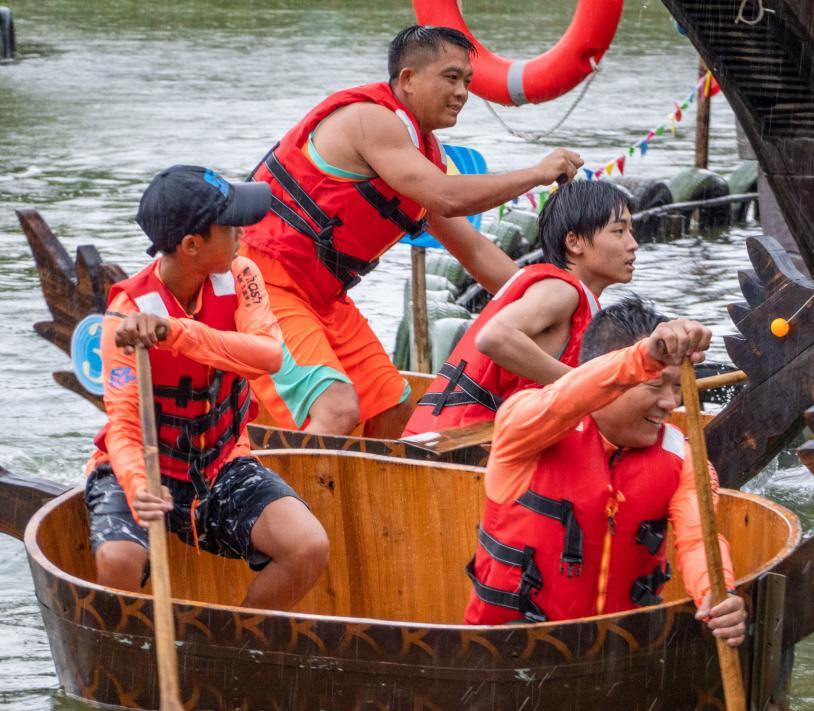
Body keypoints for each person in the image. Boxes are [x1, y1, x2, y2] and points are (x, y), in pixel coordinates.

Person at [241, 25, 584, 438]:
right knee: (336, 410)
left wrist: (560, 301)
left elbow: (473, 250)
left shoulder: (422, 157)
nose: (462, 93)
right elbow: (447, 197)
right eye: (451, 77)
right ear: (408, 79)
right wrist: (536, 174)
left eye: (468, 82)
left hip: (323, 299)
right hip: (263, 284)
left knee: (395, 409)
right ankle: (266, 501)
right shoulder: (370, 121)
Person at [86, 166, 329, 611]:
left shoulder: (243, 273)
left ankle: (239, 650)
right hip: (145, 469)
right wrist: (141, 486)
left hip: (222, 463)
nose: (242, 232)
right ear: (192, 245)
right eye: (230, 224)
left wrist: (176, 333)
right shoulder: (124, 316)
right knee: (118, 559)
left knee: (308, 545)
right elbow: (122, 424)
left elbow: (269, 355)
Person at [464, 297, 746, 647]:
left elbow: (699, 539)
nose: (671, 403)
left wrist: (718, 594)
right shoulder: (524, 424)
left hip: (618, 657)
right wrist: (643, 357)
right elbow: (569, 396)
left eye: (676, 387)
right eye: (656, 384)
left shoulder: (683, 458)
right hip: (508, 655)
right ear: (615, 376)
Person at [404, 180, 637, 436]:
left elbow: (476, 250)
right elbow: (495, 337)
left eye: (631, 231)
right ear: (574, 243)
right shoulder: (561, 291)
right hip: (455, 445)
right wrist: (583, 388)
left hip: (444, 435)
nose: (633, 244)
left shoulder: (555, 290)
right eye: (619, 231)